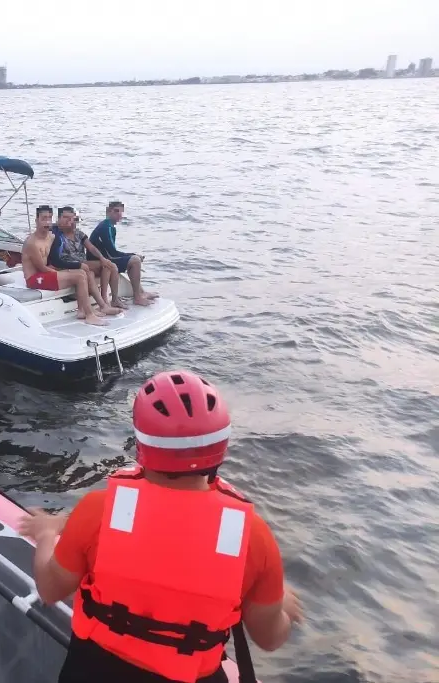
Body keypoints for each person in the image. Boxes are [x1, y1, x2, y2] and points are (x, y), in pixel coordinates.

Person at [18, 370, 303, 683]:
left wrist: (47, 534)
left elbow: (50, 588)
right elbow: (269, 639)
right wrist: (283, 610)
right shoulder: (253, 536)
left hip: (94, 669)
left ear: (141, 444)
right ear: (221, 445)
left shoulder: (98, 510)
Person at [22, 205, 105, 326]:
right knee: (79, 276)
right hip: (35, 279)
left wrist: (68, 268)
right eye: (44, 218)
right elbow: (41, 268)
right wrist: (64, 273)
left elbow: (55, 260)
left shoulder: (52, 237)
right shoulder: (31, 243)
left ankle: (82, 310)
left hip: (45, 273)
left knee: (81, 272)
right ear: (36, 220)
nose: (47, 222)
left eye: (49, 218)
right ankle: (89, 315)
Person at [50, 206, 123, 316]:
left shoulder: (78, 233)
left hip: (82, 263)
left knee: (108, 266)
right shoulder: (55, 233)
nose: (70, 221)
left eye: (72, 219)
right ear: (58, 218)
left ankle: (105, 301)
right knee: (95, 270)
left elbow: (91, 248)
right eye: (66, 218)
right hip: (68, 264)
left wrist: (102, 258)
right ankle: (103, 305)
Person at [90, 201, 157, 306]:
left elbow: (112, 252)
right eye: (116, 211)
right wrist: (133, 255)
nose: (119, 215)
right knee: (135, 260)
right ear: (108, 211)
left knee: (133, 259)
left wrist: (131, 255)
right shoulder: (105, 227)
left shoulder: (110, 227)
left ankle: (141, 292)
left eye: (121, 212)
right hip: (98, 261)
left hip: (107, 257)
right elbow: (112, 253)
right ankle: (138, 297)